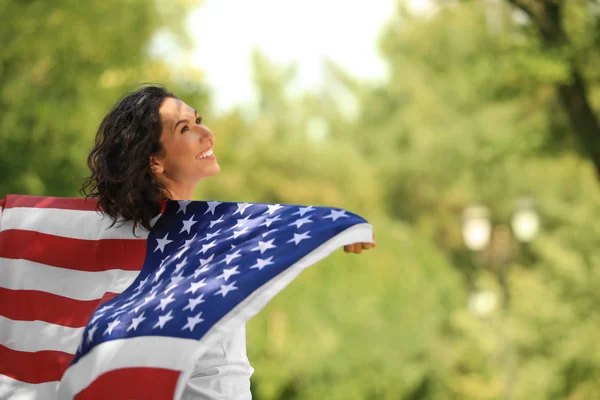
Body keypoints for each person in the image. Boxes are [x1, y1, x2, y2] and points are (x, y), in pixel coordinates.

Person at [80, 85, 374, 399]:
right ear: (154, 162)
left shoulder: (192, 234)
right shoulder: (198, 238)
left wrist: (336, 229)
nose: (207, 133)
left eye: (198, 120)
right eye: (185, 129)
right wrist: (338, 228)